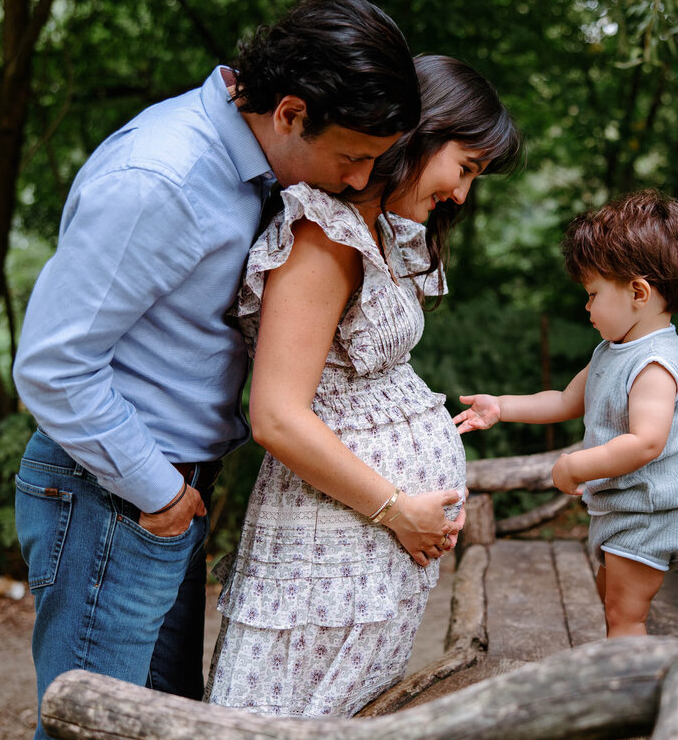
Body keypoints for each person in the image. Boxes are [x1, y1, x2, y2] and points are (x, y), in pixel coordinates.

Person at [11, 0, 430, 739]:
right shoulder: (161, 177)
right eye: (355, 158)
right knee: (96, 730)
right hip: (115, 495)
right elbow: (53, 366)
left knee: (162, 723)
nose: (363, 181)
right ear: (292, 113)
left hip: (162, 494)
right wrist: (159, 494)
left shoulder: (255, 161)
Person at [207, 54, 523, 717]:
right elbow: (276, 417)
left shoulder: (377, 233)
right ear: (424, 131)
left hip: (366, 561)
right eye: (464, 168)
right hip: (328, 554)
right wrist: (396, 509)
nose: (463, 195)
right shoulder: (323, 238)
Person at [453, 190, 678, 637]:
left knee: (624, 616)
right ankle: (623, 677)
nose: (586, 307)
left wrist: (575, 465)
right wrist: (502, 407)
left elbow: (647, 442)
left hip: (647, 514)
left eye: (592, 295)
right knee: (610, 596)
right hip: (620, 510)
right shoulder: (615, 349)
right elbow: (568, 400)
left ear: (638, 293)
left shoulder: (655, 364)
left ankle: (624, 693)